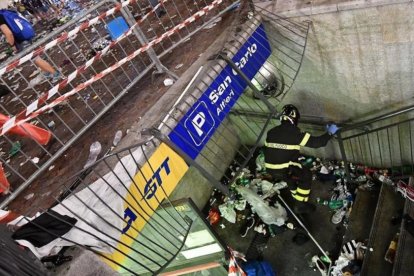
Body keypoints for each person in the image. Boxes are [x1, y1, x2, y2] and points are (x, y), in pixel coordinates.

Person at [264, 104, 339, 214]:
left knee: (289, 177)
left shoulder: (271, 132)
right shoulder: (294, 133)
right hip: (284, 168)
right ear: (294, 118)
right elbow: (318, 143)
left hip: (270, 168)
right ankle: (300, 204)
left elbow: (269, 148)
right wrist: (330, 133)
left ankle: (296, 196)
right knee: (306, 175)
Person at [0, 6, 61, 82]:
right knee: (33, 57)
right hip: (24, 34)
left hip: (20, 39)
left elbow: (8, 33)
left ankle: (55, 73)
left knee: (35, 58)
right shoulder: (5, 12)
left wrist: (12, 45)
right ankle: (46, 72)